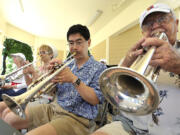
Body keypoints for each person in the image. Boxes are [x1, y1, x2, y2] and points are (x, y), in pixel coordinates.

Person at [0, 24, 107, 135]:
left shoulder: (99, 68)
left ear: (88, 42)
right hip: (53, 108)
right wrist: (51, 78)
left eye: (79, 42)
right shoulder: (66, 64)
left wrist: (74, 79)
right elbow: (52, 91)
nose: (74, 47)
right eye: (71, 43)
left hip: (76, 118)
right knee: (9, 118)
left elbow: (95, 99)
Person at [91, 3, 180, 135]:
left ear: (176, 24)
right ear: (143, 33)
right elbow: (116, 96)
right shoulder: (137, 55)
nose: (155, 26)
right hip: (130, 125)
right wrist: (126, 62)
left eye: (162, 19)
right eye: (148, 24)